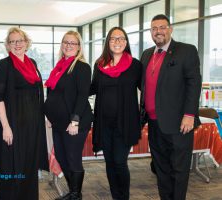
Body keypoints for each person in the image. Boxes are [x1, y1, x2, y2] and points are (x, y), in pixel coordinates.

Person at [140, 14, 201, 200]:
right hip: (154, 122)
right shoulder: (147, 54)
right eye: (154, 28)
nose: (158, 31)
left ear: (170, 29)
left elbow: (193, 83)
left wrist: (189, 114)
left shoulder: (186, 51)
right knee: (161, 168)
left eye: (162, 27)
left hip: (179, 123)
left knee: (179, 169)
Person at [0, 27, 49, 200]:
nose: (17, 44)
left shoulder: (33, 63)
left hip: (32, 126)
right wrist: (6, 127)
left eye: (20, 40)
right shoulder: (4, 65)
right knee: (12, 167)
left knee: (29, 166)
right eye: (13, 41)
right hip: (13, 125)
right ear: (8, 45)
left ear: (26, 42)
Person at [90, 27, 142, 200]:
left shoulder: (135, 65)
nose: (117, 42)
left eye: (121, 38)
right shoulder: (99, 65)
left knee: (119, 162)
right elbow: (92, 88)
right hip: (104, 124)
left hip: (125, 123)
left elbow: (147, 91)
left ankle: (123, 197)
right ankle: (115, 196)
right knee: (110, 163)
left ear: (126, 42)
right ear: (108, 42)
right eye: (113, 38)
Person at [44, 30, 93, 200]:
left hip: (75, 122)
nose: (68, 46)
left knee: (72, 158)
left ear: (79, 46)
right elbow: (52, 93)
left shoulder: (82, 67)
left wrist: (75, 121)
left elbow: (82, 95)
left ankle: (75, 194)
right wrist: (49, 116)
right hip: (58, 122)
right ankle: (73, 192)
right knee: (62, 157)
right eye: (66, 42)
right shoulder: (59, 67)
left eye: (72, 43)